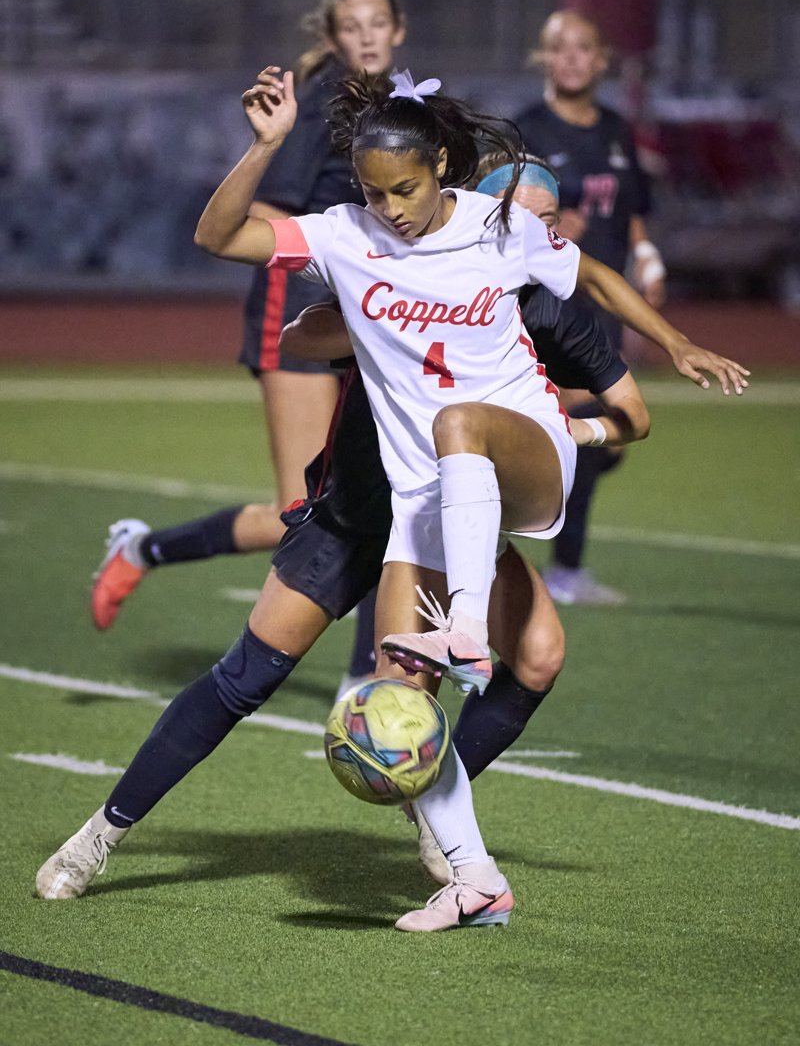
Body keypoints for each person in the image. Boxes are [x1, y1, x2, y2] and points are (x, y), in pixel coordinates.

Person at [35, 133, 742, 931]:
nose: (539, 228)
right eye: (528, 210)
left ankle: (443, 815)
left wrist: (669, 349)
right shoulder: (373, 243)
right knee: (245, 679)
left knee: (497, 649)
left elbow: (626, 401)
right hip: (367, 507)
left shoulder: (547, 301)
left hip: (457, 508)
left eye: (548, 218)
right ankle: (100, 835)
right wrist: (337, 302)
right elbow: (292, 325)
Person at [90, 0, 407, 699]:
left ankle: (367, 680)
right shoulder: (323, 99)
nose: (365, 36)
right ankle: (143, 548)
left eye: (376, 24)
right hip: (298, 309)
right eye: (351, 25)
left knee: (380, 496)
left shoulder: (394, 101)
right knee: (304, 513)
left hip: (371, 322)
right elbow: (264, 214)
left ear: (397, 32)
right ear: (331, 35)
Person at [515, 9, 667, 607]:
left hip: (601, 295)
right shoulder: (525, 130)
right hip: (549, 303)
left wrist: (648, 256)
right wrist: (540, 224)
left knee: (612, 441)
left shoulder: (615, 129)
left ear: (602, 59)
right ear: (545, 58)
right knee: (584, 419)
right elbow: (488, 207)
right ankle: (562, 567)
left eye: (584, 48)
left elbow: (630, 211)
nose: (573, 58)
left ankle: (518, 514)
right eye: (561, 47)